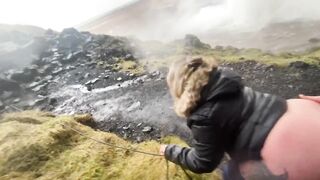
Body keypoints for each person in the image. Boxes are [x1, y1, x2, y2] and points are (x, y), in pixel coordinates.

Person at [159, 57, 320, 180]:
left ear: (179, 86)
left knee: (231, 174)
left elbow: (202, 162)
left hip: (286, 153)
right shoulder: (227, 82)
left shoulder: (203, 116)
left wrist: (169, 151)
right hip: (304, 112)